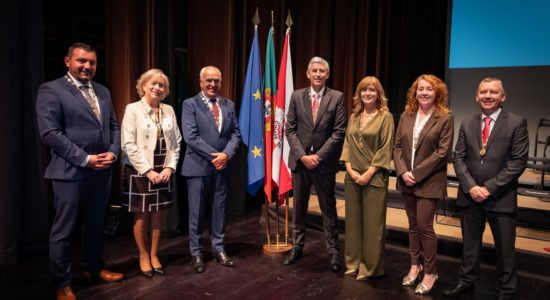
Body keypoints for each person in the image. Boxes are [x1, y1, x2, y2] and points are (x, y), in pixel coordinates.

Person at [35, 42, 123, 300]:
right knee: (64, 230)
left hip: (102, 172)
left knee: (95, 225)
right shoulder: (51, 90)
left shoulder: (103, 90)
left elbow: (114, 126)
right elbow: (49, 133)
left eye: (92, 62)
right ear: (67, 61)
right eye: (81, 61)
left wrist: (114, 152)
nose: (87, 66)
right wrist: (85, 159)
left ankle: (95, 269)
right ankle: (61, 283)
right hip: (70, 172)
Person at [445, 78, 528, 300]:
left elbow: (518, 162)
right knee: (470, 246)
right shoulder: (467, 123)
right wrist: (471, 187)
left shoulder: (516, 122)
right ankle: (466, 281)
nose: (487, 95)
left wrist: (489, 188)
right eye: (483, 92)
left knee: (505, 250)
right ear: (476, 96)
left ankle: (507, 290)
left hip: (500, 197)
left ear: (503, 97)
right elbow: (458, 158)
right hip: (469, 196)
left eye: (493, 92)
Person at [284, 57, 347, 272]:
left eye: (322, 71)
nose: (318, 74)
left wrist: (318, 157)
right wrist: (303, 156)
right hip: (300, 164)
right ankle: (297, 247)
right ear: (307, 73)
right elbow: (290, 129)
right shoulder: (296, 96)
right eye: (315, 70)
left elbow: (339, 132)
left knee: (328, 210)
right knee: (299, 208)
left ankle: (333, 253)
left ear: (327, 74)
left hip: (323, 164)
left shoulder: (336, 97)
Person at [392, 74, 453, 295]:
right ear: (414, 93)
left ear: (437, 93)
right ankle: (414, 266)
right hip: (406, 179)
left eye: (429, 89)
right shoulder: (407, 115)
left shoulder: (445, 117)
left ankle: (430, 273)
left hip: (429, 181)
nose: (424, 92)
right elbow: (397, 146)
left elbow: (442, 152)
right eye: (420, 89)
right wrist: (402, 172)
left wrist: (416, 174)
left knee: (425, 227)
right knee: (412, 226)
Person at [121, 69, 182, 277]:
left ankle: (155, 253)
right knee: (142, 213)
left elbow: (177, 141)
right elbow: (128, 144)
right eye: (153, 83)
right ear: (143, 85)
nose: (157, 88)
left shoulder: (169, 110)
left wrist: (170, 167)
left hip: (163, 169)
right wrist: (147, 170)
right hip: (140, 169)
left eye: (161, 85)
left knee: (158, 213)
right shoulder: (133, 109)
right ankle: (143, 254)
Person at [180, 66, 241, 273]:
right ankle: (196, 253)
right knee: (196, 212)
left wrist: (226, 155)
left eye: (216, 80)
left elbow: (235, 134)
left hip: (222, 167)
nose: (213, 84)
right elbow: (191, 137)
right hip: (197, 167)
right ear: (200, 82)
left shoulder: (228, 104)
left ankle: (219, 249)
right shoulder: (190, 104)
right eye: (209, 80)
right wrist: (215, 156)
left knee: (219, 210)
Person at [339, 76, 394, 280]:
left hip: (375, 178)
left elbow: (385, 147)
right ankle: (353, 263)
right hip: (352, 176)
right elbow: (346, 145)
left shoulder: (385, 117)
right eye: (364, 90)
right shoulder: (355, 116)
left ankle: (370, 267)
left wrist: (369, 173)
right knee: (352, 224)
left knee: (372, 226)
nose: (367, 94)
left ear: (379, 94)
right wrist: (350, 170)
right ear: (359, 94)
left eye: (372, 90)